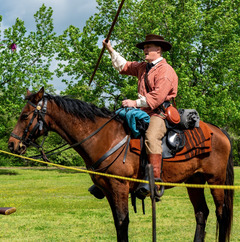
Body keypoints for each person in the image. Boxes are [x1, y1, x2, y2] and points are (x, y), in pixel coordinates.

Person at [103, 34, 178, 185]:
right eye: (144, 47)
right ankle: (109, 173)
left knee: (151, 136)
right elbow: (123, 66)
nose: (145, 50)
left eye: (148, 47)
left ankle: (154, 179)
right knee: (117, 129)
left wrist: (134, 103)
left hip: (159, 113)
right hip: (143, 112)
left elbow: (156, 98)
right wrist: (110, 49)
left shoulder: (166, 71)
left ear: (158, 49)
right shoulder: (143, 67)